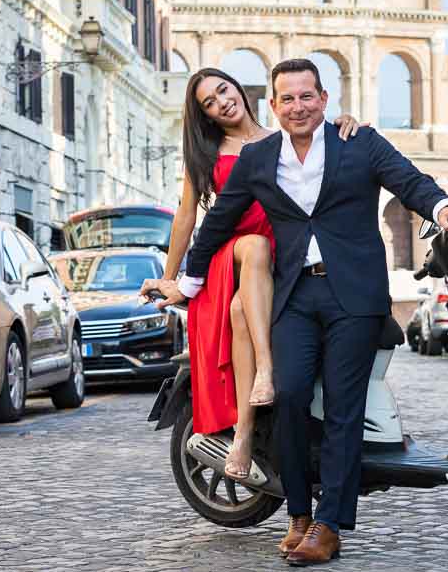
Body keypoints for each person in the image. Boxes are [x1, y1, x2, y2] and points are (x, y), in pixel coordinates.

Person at [154, 58, 448, 566]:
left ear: (324, 100)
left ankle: (328, 525)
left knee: (344, 406)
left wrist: (443, 207)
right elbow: (215, 224)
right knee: (290, 393)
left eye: (307, 96)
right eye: (288, 98)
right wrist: (185, 282)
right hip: (294, 294)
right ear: (274, 105)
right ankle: (298, 512)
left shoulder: (358, 142)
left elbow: (410, 182)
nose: (298, 106)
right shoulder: (259, 159)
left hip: (354, 296)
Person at [141, 67, 361, 480]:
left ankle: (243, 433)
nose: (222, 101)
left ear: (239, 87)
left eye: (224, 89)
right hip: (234, 249)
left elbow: (319, 144)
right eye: (209, 102)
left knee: (244, 309)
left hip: (282, 254)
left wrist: (346, 123)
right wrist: (172, 277)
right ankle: (264, 370)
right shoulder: (207, 153)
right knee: (255, 248)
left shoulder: (281, 135)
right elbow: (186, 216)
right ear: (205, 115)